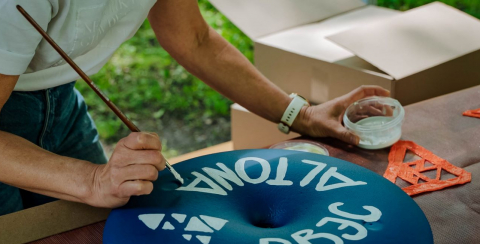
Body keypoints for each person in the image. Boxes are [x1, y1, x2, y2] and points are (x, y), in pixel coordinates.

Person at [0, 0, 389, 216]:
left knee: (86, 242)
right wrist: (92, 181)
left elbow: (194, 38)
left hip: (60, 99)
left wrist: (302, 115)